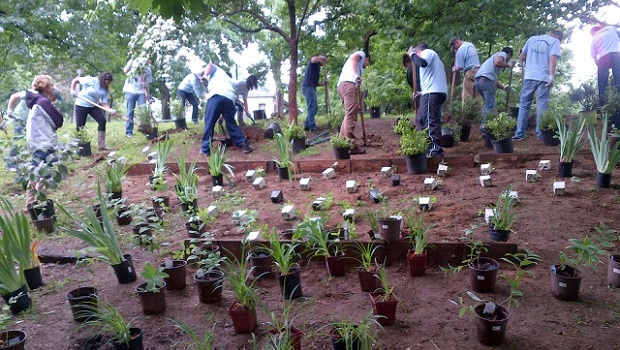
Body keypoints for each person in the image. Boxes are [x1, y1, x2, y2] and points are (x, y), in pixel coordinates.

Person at [513, 30, 563, 140]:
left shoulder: (531, 39)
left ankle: (520, 133)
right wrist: (551, 76)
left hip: (530, 76)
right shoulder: (555, 41)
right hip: (543, 77)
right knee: (542, 105)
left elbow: (522, 57)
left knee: (524, 104)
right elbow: (553, 58)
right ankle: (540, 135)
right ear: (558, 37)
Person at [200, 63, 253, 156]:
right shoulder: (227, 78)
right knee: (231, 123)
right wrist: (221, 117)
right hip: (230, 99)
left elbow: (210, 64)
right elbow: (224, 100)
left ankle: (205, 149)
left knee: (209, 122)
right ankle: (243, 144)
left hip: (216, 96)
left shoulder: (216, 69)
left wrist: (204, 75)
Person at [409, 42, 448, 158]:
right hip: (430, 92)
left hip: (433, 93)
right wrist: (420, 93)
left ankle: (435, 151)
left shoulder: (428, 53)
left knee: (430, 120)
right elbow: (433, 78)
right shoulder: (435, 61)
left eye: (416, 54)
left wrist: (412, 55)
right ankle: (425, 146)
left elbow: (422, 63)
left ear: (418, 51)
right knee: (420, 119)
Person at [337, 50, 370, 155]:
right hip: (348, 84)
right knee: (351, 114)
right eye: (368, 64)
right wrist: (356, 75)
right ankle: (351, 145)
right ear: (367, 59)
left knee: (349, 113)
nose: (367, 66)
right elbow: (354, 59)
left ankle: (341, 143)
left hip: (343, 85)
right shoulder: (361, 54)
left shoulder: (354, 67)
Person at [25, 75, 64, 164]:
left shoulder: (37, 100)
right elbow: (58, 121)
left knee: (39, 171)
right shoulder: (43, 102)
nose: (53, 88)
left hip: (37, 141)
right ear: (45, 87)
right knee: (44, 174)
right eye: (51, 85)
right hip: (42, 143)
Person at [71, 72, 114, 150]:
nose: (108, 84)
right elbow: (76, 80)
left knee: (102, 121)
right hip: (81, 104)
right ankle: (77, 146)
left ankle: (101, 145)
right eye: (107, 82)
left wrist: (109, 109)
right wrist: (73, 90)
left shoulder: (105, 90)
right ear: (103, 80)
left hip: (93, 105)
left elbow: (103, 103)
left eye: (109, 83)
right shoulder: (92, 80)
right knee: (80, 126)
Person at [474, 47, 514, 119]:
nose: (508, 60)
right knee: (489, 106)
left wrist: (504, 88)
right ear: (509, 54)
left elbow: (493, 80)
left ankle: (485, 124)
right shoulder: (503, 54)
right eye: (510, 58)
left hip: (478, 82)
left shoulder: (490, 63)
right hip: (486, 82)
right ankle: (485, 127)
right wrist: (509, 65)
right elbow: (497, 63)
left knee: (488, 105)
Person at [590, 25, 620, 108]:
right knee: (618, 79)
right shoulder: (611, 28)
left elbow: (594, 56)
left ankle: (603, 106)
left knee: (602, 84)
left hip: (603, 58)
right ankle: (618, 101)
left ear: (593, 32)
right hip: (616, 54)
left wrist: (599, 65)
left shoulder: (594, 38)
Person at [123, 58, 152, 137]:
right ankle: (129, 132)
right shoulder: (134, 63)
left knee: (143, 112)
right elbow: (125, 70)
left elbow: (148, 83)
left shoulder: (148, 70)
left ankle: (145, 131)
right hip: (130, 90)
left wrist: (145, 84)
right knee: (130, 112)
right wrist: (132, 59)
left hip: (141, 92)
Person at [450, 37, 481, 106]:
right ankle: (478, 115)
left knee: (467, 95)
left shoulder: (460, 50)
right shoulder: (470, 45)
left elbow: (459, 67)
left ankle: (467, 114)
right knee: (477, 96)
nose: (455, 49)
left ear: (456, 43)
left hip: (470, 72)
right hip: (478, 72)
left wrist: (454, 68)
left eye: (455, 47)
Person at [302, 55, 328, 131]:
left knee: (314, 108)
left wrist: (323, 84)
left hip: (311, 87)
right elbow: (313, 59)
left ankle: (307, 125)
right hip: (308, 87)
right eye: (325, 62)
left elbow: (315, 83)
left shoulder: (317, 68)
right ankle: (312, 127)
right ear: (322, 59)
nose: (325, 64)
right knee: (312, 107)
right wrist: (322, 58)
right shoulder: (313, 63)